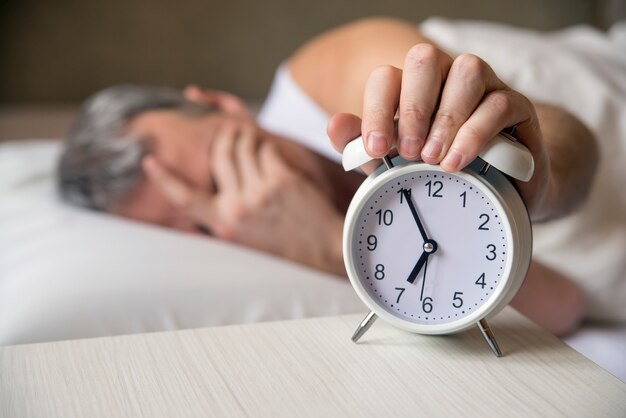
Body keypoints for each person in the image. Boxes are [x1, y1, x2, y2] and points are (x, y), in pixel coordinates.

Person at [58, 17, 597, 336]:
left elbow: (548, 128)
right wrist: (326, 246)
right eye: (204, 225)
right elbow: (563, 305)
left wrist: (538, 185)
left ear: (221, 105)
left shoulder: (340, 76)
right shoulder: (263, 246)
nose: (249, 204)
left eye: (225, 169)